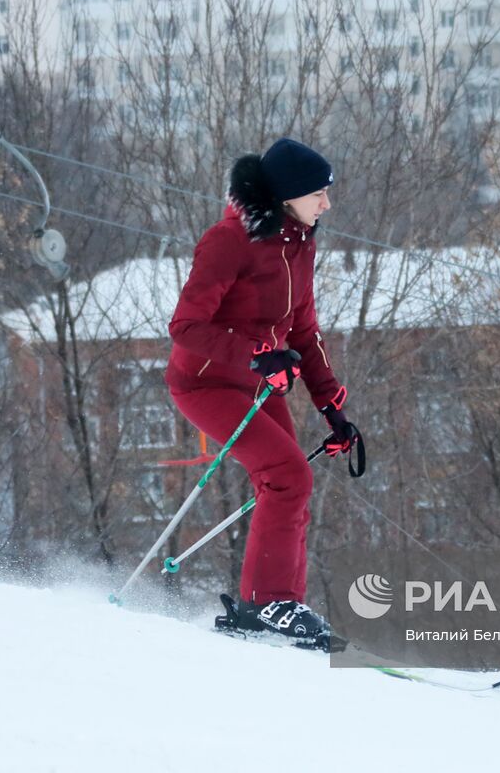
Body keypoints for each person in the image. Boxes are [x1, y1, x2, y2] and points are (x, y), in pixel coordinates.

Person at [166, 138, 358, 651]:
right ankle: (266, 604)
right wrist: (255, 353)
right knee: (287, 475)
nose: (326, 204)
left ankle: (282, 603)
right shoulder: (228, 241)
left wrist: (331, 407)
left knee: (292, 482)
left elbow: (304, 330)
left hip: (259, 380)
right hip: (205, 382)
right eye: (319, 193)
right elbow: (185, 326)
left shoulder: (300, 243)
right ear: (289, 194)